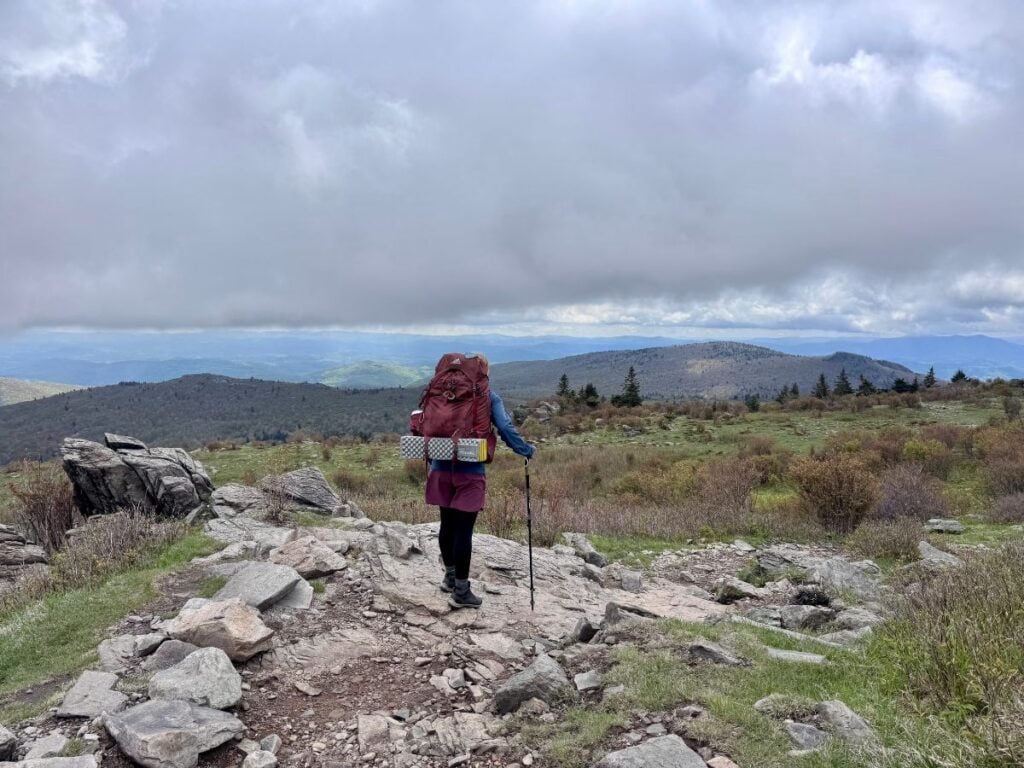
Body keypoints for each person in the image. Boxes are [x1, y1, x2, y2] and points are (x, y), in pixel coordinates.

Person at [425, 353, 535, 609]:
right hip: (470, 473)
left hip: (440, 467)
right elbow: (506, 428)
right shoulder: (487, 396)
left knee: (447, 525)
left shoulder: (442, 392)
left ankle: (450, 578)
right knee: (464, 530)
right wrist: (525, 450)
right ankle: (462, 592)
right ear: (483, 373)